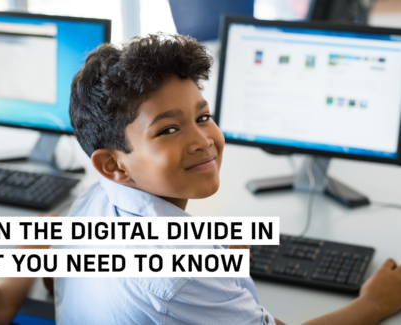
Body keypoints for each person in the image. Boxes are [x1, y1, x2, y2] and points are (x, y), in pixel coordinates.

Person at [54, 33, 401, 324]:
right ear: (114, 165)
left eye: (204, 116)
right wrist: (375, 304)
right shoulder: (181, 273)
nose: (203, 140)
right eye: (169, 129)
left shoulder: (90, 201)